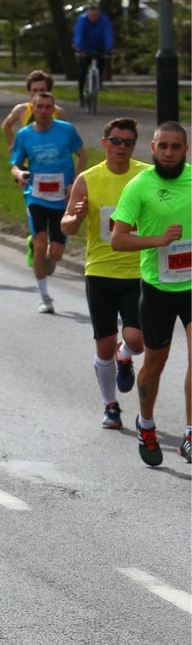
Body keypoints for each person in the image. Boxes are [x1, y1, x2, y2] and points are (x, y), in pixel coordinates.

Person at [111, 122, 191, 466]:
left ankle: (190, 434)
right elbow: (117, 239)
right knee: (155, 365)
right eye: (164, 147)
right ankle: (146, 423)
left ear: (185, 150)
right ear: (153, 149)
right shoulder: (139, 186)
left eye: (176, 147)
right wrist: (156, 240)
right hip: (158, 288)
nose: (170, 153)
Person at [60, 119, 147, 429]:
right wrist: (76, 216)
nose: (121, 146)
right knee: (104, 344)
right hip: (100, 271)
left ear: (134, 145)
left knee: (137, 339)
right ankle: (111, 405)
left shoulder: (144, 176)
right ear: (104, 142)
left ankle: (126, 356)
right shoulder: (88, 179)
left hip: (137, 271)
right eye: (116, 140)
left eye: (127, 142)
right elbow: (66, 224)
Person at [10, 92, 86, 314]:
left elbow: (82, 155)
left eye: (48, 107)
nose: (44, 111)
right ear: (32, 109)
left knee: (56, 253)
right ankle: (44, 297)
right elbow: (14, 164)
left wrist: (74, 182)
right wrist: (20, 174)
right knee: (41, 243)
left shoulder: (66, 130)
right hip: (36, 195)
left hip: (62, 197)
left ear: (53, 109)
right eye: (39, 107)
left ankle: (45, 257)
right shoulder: (24, 135)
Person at [73, 1, 114, 105]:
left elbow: (108, 34)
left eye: (96, 15)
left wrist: (109, 47)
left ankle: (98, 82)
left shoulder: (104, 21)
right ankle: (81, 95)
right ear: (88, 14)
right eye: (92, 15)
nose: (94, 17)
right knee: (82, 71)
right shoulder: (82, 20)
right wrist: (79, 48)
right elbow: (78, 35)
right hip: (85, 48)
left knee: (101, 63)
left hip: (99, 47)